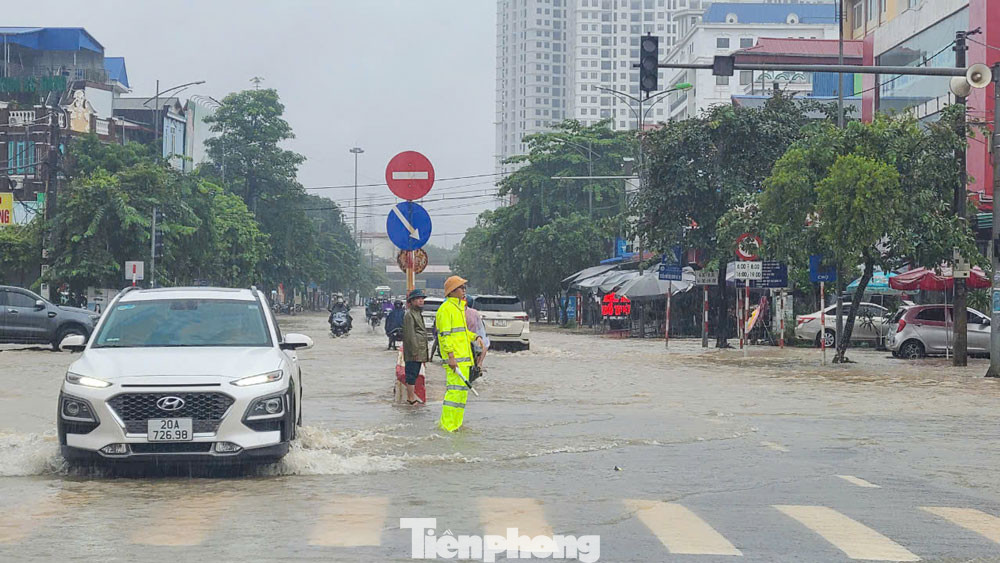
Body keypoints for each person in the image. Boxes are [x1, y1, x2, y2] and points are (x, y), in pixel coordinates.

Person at [436, 276, 476, 432]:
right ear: (452, 291)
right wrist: (451, 357)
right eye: (461, 288)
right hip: (455, 360)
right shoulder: (446, 309)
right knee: (453, 394)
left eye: (464, 288)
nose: (464, 290)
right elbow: (445, 336)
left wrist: (475, 337)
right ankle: (447, 426)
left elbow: (462, 333)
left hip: (464, 360)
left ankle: (456, 425)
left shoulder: (459, 308)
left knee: (461, 396)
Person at [402, 289, 429, 405]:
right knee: (411, 374)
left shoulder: (418, 314)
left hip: (419, 350)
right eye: (418, 299)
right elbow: (410, 335)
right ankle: (411, 398)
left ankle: (412, 397)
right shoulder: (409, 315)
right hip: (414, 351)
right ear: (412, 301)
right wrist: (414, 351)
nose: (421, 301)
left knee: (415, 373)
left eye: (422, 299)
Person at [465, 305, 489, 378]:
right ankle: (479, 364)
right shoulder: (474, 312)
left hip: (466, 341)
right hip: (474, 340)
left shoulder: (457, 312)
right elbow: (480, 329)